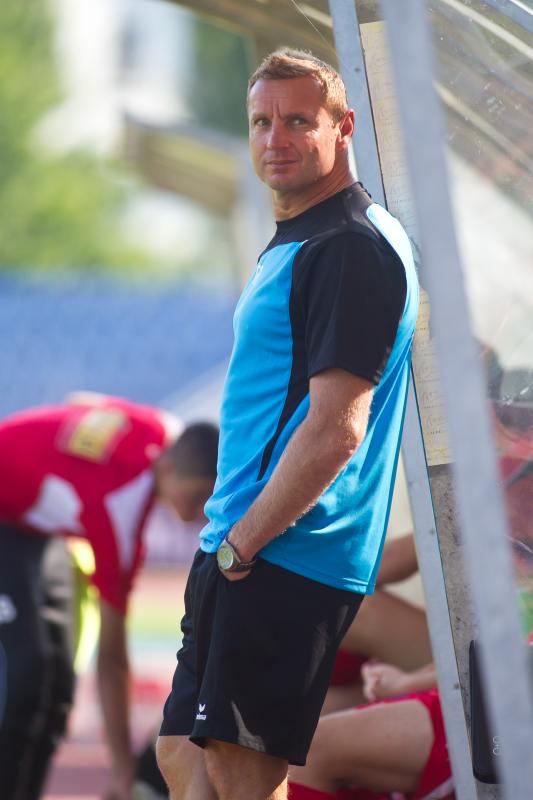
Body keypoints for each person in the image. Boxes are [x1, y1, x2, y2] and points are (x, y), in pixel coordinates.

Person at [156, 48, 419, 800]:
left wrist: (244, 544)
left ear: (344, 127)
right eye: (260, 122)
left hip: (282, 548)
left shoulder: (348, 248)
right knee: (181, 756)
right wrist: (229, 545)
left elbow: (338, 428)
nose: (275, 139)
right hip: (242, 543)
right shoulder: (309, 234)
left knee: (241, 773)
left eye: (299, 121)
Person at [0, 394, 218, 800]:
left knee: (58, 687)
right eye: (198, 496)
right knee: (29, 676)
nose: (204, 510)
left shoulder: (165, 430)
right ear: (167, 470)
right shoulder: (121, 507)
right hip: (9, 519)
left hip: (39, 532)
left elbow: (83, 401)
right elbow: (113, 657)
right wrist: (121, 769)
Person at [288, 662, 454, 800]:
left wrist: (408, 683)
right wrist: (411, 679)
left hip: (460, 707)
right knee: (296, 752)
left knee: (303, 754)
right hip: (448, 686)